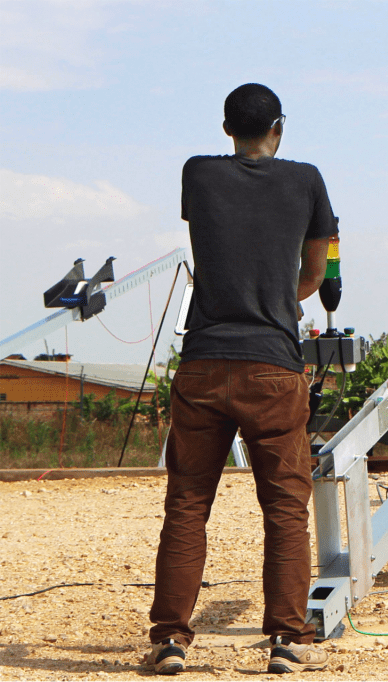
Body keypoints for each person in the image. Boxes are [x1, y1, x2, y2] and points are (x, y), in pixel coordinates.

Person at [145, 83, 336, 675]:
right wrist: (283, 297)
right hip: (273, 367)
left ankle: (171, 640)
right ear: (280, 127)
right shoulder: (306, 181)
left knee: (186, 505)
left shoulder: (197, 174)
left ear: (226, 129)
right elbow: (315, 270)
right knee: (284, 508)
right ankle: (285, 639)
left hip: (203, 364)